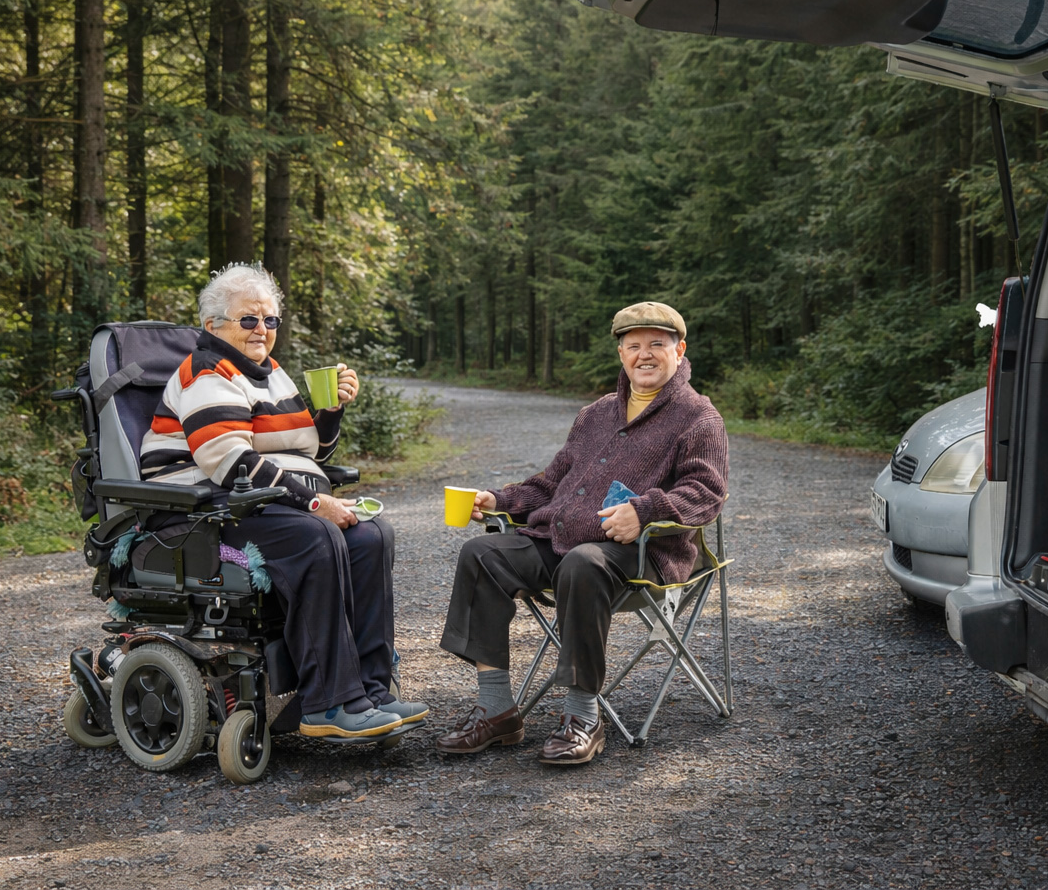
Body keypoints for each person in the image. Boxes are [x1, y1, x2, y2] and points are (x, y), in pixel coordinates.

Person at [139, 262, 427, 738]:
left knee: (372, 535)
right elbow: (231, 462)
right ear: (213, 325)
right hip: (199, 512)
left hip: (256, 504)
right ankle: (330, 704)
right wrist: (314, 504)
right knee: (315, 536)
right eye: (249, 319)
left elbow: (308, 455)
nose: (262, 329)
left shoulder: (271, 373)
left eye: (270, 319)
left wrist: (329, 413)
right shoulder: (207, 372)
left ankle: (372, 691)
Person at [436, 301, 728, 765]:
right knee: (481, 554)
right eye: (633, 345)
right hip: (561, 540)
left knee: (582, 563)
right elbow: (551, 483)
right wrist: (498, 499)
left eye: (657, 344)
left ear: (679, 350)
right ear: (621, 354)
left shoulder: (699, 418)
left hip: (640, 554)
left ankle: (583, 717)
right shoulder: (595, 414)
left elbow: (707, 492)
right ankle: (497, 710)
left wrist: (645, 511)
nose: (645, 354)